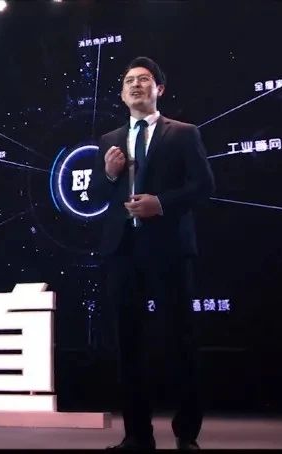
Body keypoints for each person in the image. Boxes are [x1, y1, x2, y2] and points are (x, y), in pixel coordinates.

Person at [86, 56, 215, 450]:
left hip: (168, 249)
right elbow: (95, 195)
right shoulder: (108, 140)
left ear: (159, 89)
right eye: (129, 81)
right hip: (123, 251)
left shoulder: (183, 133)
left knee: (180, 341)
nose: (136, 85)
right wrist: (109, 174)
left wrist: (160, 203)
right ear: (122, 94)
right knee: (128, 345)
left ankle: (186, 434)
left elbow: (204, 186)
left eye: (144, 79)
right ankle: (137, 436)